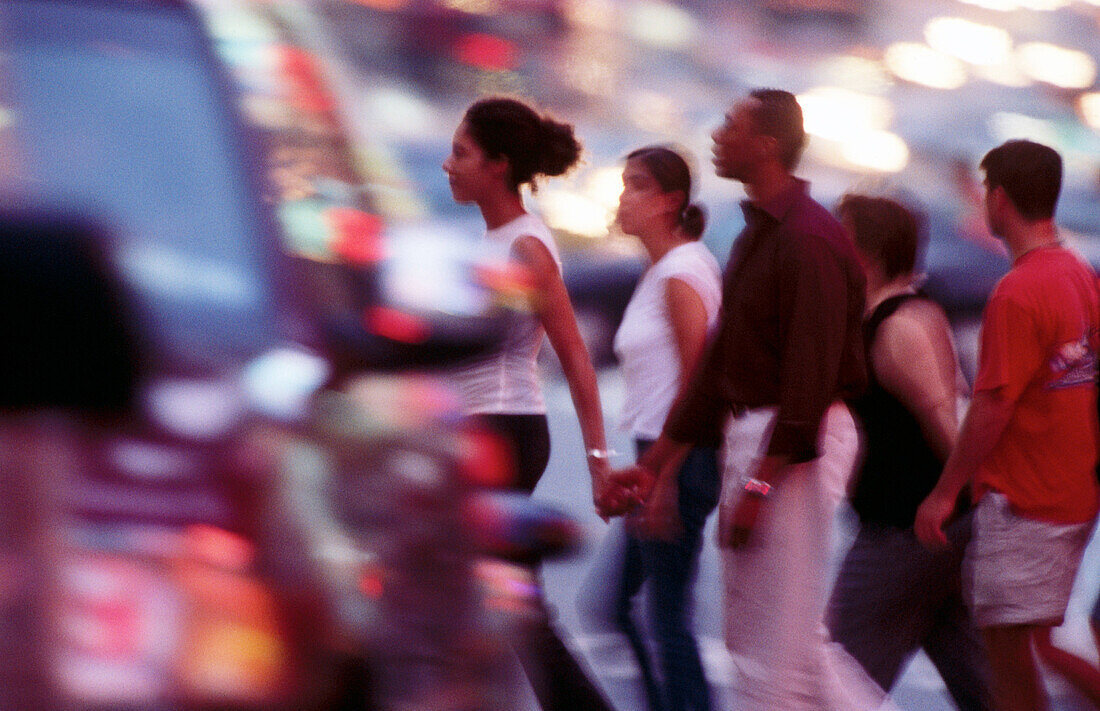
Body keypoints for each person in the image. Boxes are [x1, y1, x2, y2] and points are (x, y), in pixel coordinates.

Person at [612, 89, 890, 711]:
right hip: (757, 439)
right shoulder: (756, 236)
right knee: (779, 648)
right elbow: (716, 371)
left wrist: (760, 488)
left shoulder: (809, 239)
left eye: (730, 126)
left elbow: (810, 384)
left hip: (790, 450)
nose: (716, 135)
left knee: (774, 659)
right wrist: (654, 464)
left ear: (766, 144)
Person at [443, 96, 615, 711]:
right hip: (486, 428)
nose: (447, 165)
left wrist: (599, 458)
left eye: (461, 153)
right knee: (483, 595)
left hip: (504, 431)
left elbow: (574, 356)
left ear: (498, 164)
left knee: (513, 601)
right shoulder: (497, 238)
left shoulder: (525, 246)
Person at [915, 139, 1100, 711]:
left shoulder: (1018, 291)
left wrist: (944, 493)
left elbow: (992, 406)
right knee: (1029, 642)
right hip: (1070, 492)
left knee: (1006, 650)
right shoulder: (1076, 272)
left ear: (998, 198)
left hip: (1028, 500)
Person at [824, 194, 992, 710]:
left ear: (866, 255)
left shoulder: (897, 327)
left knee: (831, 679)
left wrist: (957, 501)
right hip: (929, 533)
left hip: (907, 535)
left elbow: (946, 424)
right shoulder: (897, 315)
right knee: (983, 681)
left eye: (838, 238)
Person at [605, 146, 722, 711]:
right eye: (624, 182)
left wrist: (666, 478)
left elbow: (698, 383)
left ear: (671, 201)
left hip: (679, 456)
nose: (623, 195)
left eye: (637, 185)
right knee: (624, 608)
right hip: (657, 455)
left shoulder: (682, 271)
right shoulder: (664, 269)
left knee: (665, 617)